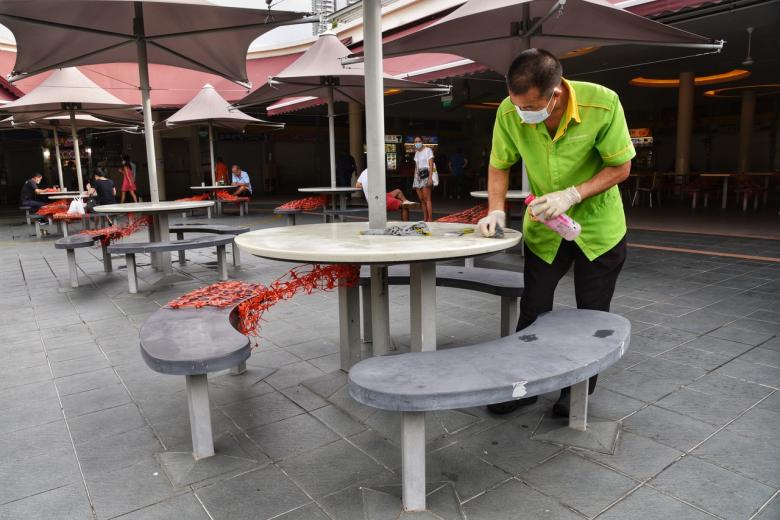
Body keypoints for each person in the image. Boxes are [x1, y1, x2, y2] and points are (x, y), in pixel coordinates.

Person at [478, 48, 634, 417]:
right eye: (518, 107)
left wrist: (573, 194)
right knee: (533, 306)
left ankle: (576, 391)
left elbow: (621, 167)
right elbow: (499, 164)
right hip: (545, 227)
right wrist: (496, 209)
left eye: (531, 108)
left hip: (598, 227)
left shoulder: (603, 104)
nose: (525, 116)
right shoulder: (509, 111)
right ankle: (523, 386)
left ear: (556, 94)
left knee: (592, 314)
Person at [412, 136, 435, 221]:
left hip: (426, 175)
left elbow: (431, 165)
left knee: (427, 198)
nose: (417, 143)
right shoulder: (417, 153)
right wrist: (415, 177)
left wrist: (430, 178)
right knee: (421, 199)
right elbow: (416, 166)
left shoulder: (428, 150)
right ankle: (425, 218)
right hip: (418, 177)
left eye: (418, 141)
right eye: (415, 141)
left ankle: (430, 219)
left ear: (422, 142)